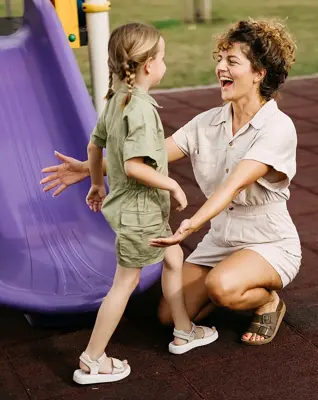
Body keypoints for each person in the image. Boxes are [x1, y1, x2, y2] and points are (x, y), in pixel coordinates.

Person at [41, 18, 300, 348]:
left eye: (232, 61)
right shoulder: (207, 123)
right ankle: (228, 283)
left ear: (260, 73)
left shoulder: (278, 128)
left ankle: (267, 302)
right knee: (169, 315)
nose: (220, 67)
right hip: (221, 240)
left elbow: (231, 186)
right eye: (219, 58)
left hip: (268, 242)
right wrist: (90, 169)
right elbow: (149, 155)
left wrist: (190, 225)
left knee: (223, 287)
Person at [68, 23, 217, 386]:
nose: (165, 63)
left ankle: (183, 330)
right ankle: (92, 359)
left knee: (173, 257)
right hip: (140, 211)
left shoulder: (115, 100)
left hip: (131, 208)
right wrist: (173, 185)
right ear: (149, 65)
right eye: (162, 57)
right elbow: (135, 166)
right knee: (125, 283)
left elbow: (94, 146)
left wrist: (97, 183)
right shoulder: (140, 110)